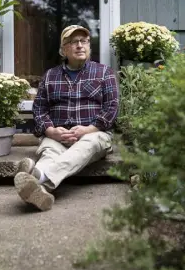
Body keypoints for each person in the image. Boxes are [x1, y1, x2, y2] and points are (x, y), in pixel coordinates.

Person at [14, 25, 119, 211]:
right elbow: (39, 109)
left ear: (89, 46)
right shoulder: (50, 76)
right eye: (74, 42)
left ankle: (38, 175)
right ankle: (41, 192)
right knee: (49, 152)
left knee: (88, 145)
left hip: (94, 135)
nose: (80, 46)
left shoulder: (104, 73)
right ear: (63, 50)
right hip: (58, 137)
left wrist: (89, 129)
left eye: (84, 41)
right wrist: (50, 131)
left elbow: (112, 108)